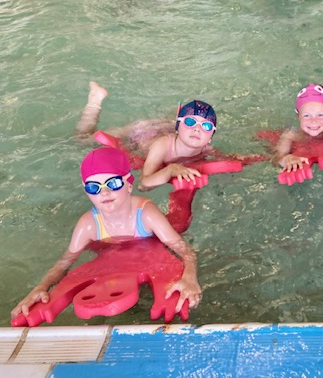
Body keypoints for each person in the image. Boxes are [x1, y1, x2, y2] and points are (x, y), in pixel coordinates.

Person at [10, 147, 202, 320]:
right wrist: (41, 287)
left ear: (129, 184)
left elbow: (186, 251)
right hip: (114, 260)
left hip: (152, 244)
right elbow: (64, 263)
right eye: (94, 187)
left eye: (113, 183)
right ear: (87, 192)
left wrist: (189, 278)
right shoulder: (88, 225)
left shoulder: (146, 215)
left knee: (180, 220)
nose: (104, 193)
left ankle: (185, 190)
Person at [76, 81, 217, 191]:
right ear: (179, 128)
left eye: (206, 126)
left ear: (210, 136)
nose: (197, 129)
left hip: (166, 128)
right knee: (82, 139)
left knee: (175, 121)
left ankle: (178, 117)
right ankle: (94, 101)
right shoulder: (162, 146)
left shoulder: (207, 149)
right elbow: (143, 184)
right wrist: (170, 170)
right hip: (140, 132)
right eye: (190, 122)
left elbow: (226, 162)